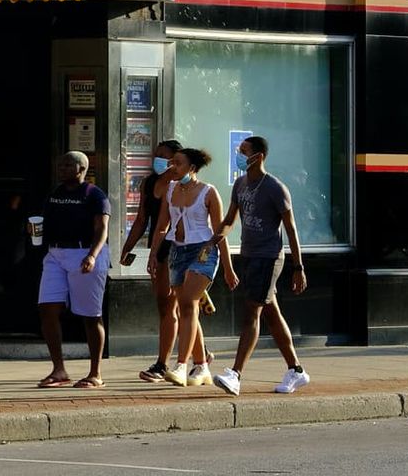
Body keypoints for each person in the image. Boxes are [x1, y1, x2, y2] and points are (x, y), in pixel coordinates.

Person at [213, 135, 311, 396]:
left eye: (244, 151)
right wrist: (214, 237)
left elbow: (291, 228)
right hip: (249, 254)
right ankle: (296, 370)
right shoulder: (240, 184)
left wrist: (298, 267)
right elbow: (230, 219)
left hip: (269, 257)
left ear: (259, 156)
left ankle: (235, 374)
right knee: (270, 312)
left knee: (252, 311)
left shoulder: (275, 188)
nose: (240, 155)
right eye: (239, 150)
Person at [120, 139, 206, 383]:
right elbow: (143, 219)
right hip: (160, 247)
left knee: (176, 306)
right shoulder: (152, 183)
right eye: (157, 156)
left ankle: (163, 363)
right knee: (172, 305)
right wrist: (128, 248)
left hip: (179, 247)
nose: (161, 161)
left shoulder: (185, 186)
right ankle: (200, 357)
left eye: (168, 158)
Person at [34, 150, 111, 389]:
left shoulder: (94, 195)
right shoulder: (55, 194)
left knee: (90, 315)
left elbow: (102, 229)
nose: (62, 168)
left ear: (81, 169)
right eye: (61, 164)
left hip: (84, 253)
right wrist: (36, 231)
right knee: (47, 309)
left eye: (68, 165)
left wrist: (92, 256)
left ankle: (95, 373)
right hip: (56, 254)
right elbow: (47, 221)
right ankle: (59, 370)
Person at [153, 146, 225, 388]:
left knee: (188, 305)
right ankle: (202, 365)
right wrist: (153, 255)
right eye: (171, 162)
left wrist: (228, 266)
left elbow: (219, 232)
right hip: (177, 251)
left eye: (178, 163)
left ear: (192, 168)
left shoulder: (209, 192)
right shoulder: (170, 189)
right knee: (188, 310)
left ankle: (182, 365)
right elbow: (162, 226)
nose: (172, 166)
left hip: (203, 252)